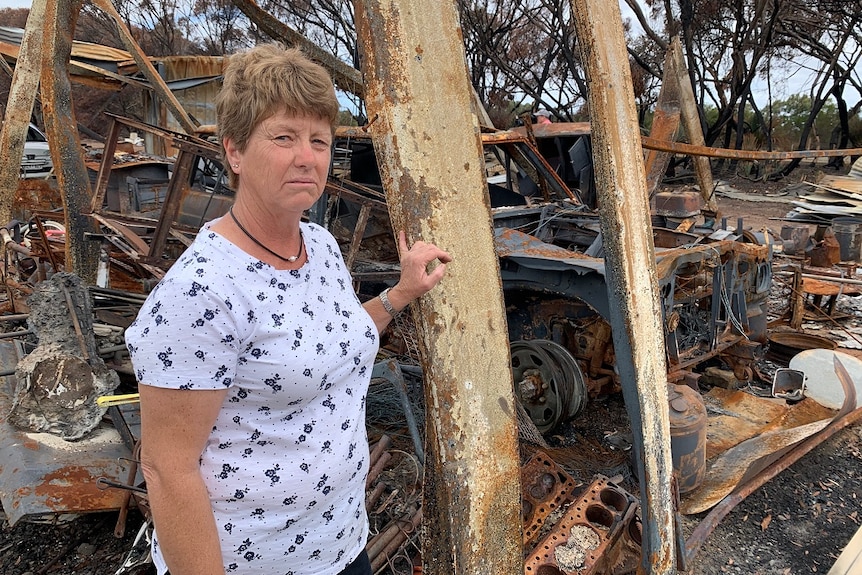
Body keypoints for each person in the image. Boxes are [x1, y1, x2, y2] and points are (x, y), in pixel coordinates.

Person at [125, 43, 451, 575]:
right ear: (234, 152)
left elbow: (334, 341)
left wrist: (401, 294)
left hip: (343, 544)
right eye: (284, 137)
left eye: (319, 140)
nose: (308, 156)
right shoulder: (201, 292)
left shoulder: (319, 246)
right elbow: (167, 468)